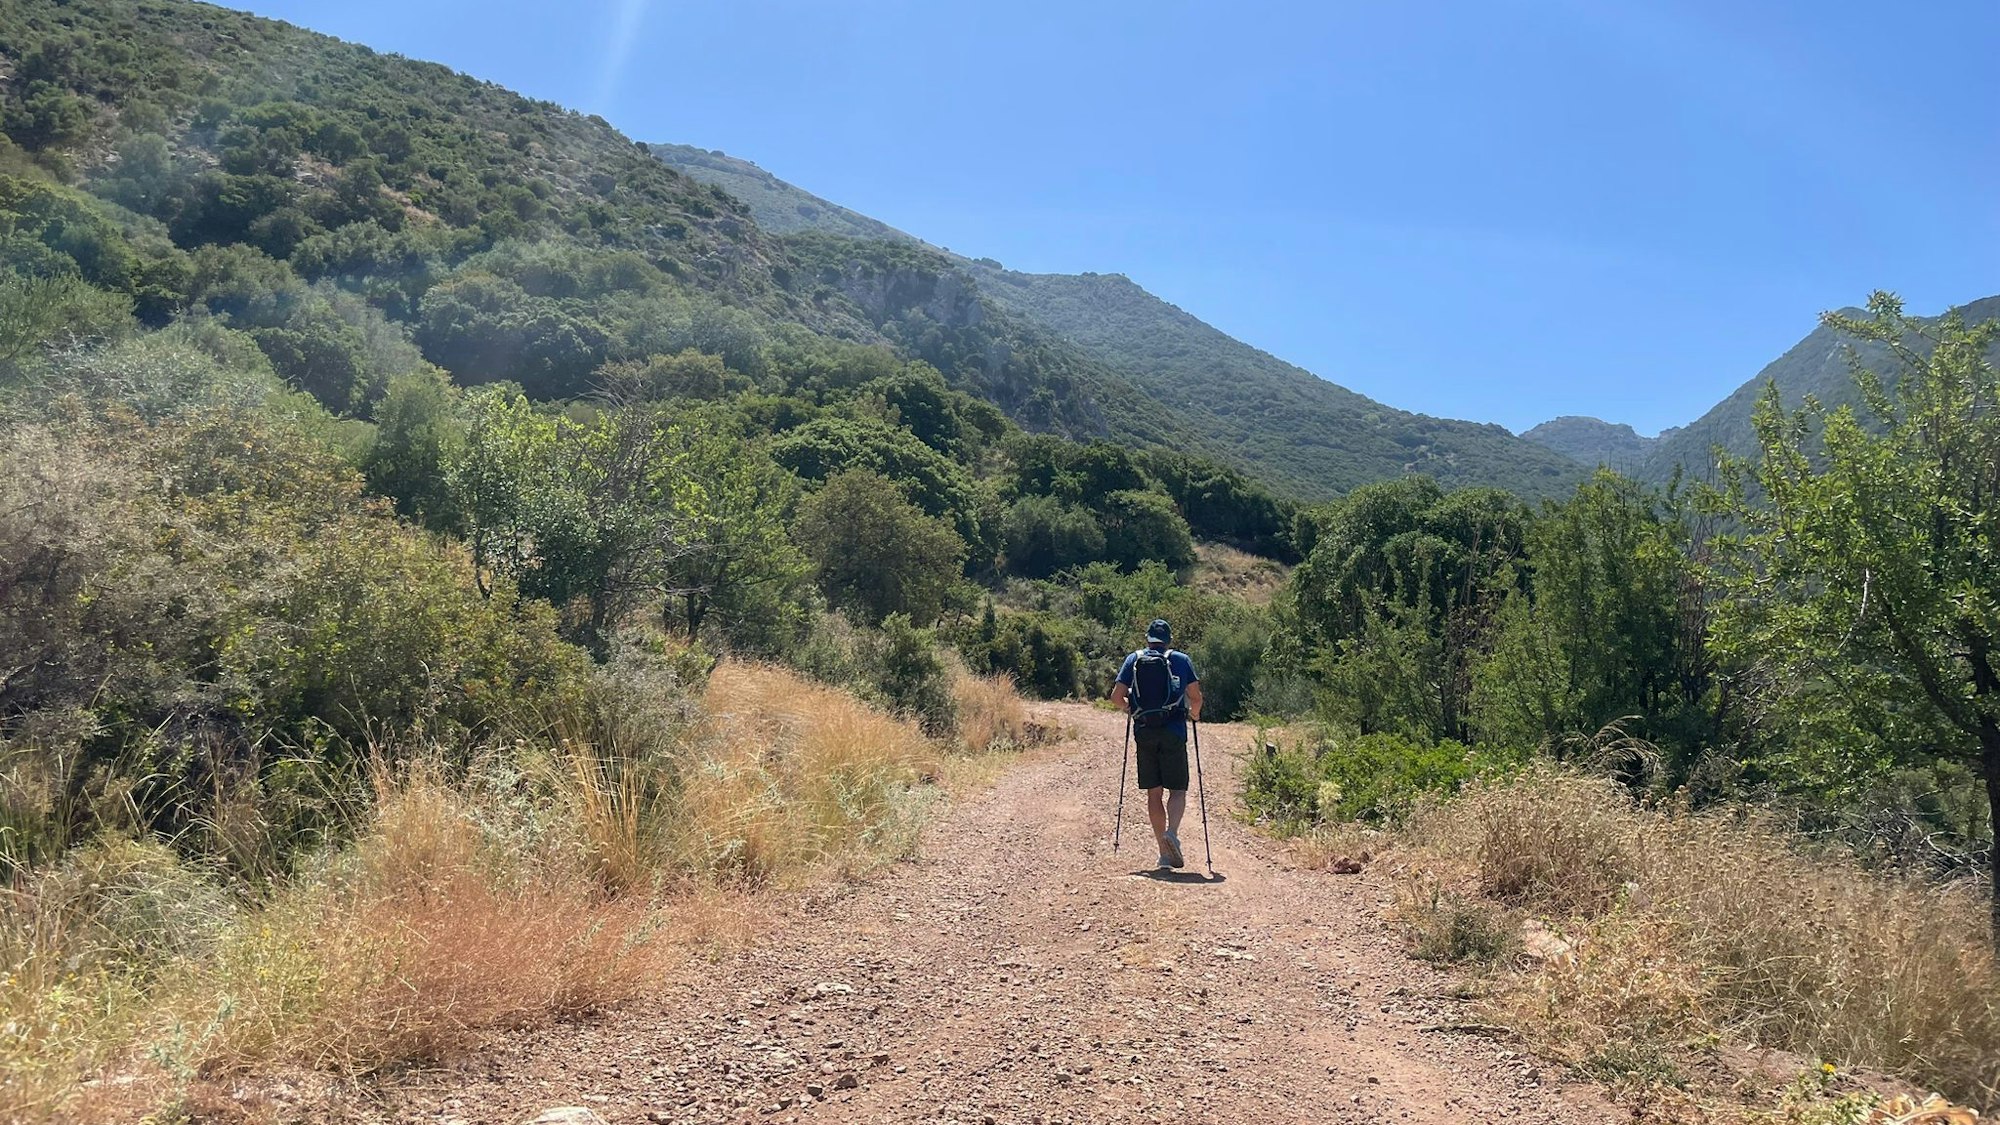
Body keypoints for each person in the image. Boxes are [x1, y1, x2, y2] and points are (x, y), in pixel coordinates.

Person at [1110, 619, 1203, 868]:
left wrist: (1132, 709)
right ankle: (1172, 833)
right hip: (1174, 731)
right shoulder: (1181, 660)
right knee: (1178, 790)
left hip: (1145, 732)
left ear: (1148, 639)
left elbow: (1116, 697)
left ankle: (1163, 853)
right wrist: (1194, 714)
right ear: (1169, 640)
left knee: (1154, 792)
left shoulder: (1134, 659)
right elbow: (1195, 697)